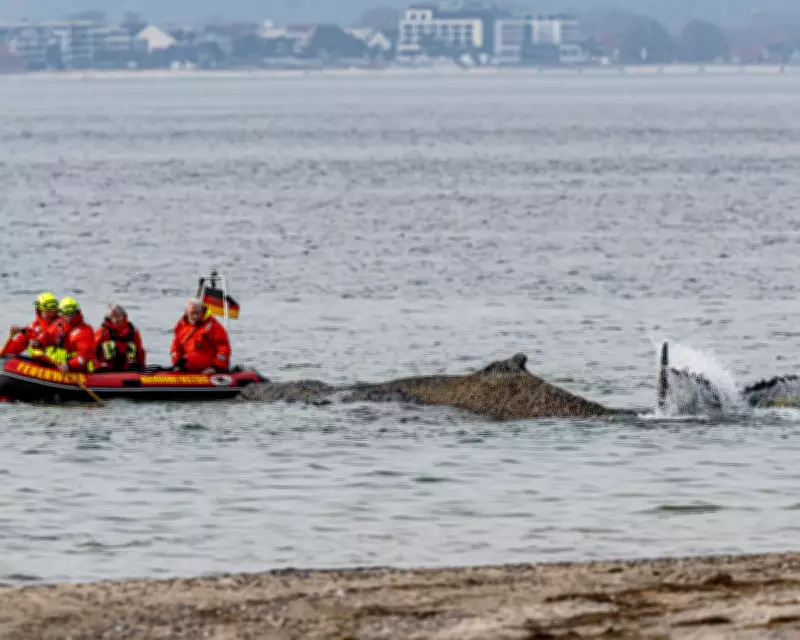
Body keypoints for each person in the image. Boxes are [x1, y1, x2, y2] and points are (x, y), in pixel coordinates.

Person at [170, 299, 231, 374]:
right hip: (186, 364)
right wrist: (177, 364)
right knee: (183, 361)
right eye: (192, 313)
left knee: (189, 360)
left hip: (209, 365)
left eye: (197, 313)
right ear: (187, 313)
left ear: (202, 312)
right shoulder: (181, 326)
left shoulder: (212, 325)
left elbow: (223, 348)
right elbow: (175, 348)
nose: (195, 316)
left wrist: (216, 367)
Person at [43, 297, 96, 373]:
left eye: (72, 313)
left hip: (82, 370)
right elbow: (47, 336)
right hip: (61, 365)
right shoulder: (58, 324)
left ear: (76, 312)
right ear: (61, 314)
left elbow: (86, 355)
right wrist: (39, 342)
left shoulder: (85, 330)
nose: (69, 317)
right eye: (66, 314)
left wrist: (69, 365)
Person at [1, 292, 60, 357]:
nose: (51, 313)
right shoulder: (32, 328)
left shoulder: (63, 323)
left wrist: (40, 343)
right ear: (39, 310)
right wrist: (10, 336)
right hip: (41, 363)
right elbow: (6, 353)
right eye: (47, 311)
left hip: (64, 362)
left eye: (54, 310)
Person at [94, 303, 146, 372]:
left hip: (129, 368)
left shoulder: (132, 331)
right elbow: (92, 350)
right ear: (109, 318)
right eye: (114, 316)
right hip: (106, 369)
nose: (117, 319)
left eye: (119, 315)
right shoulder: (102, 331)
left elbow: (140, 351)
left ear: (124, 316)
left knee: (133, 355)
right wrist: (93, 367)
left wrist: (143, 367)